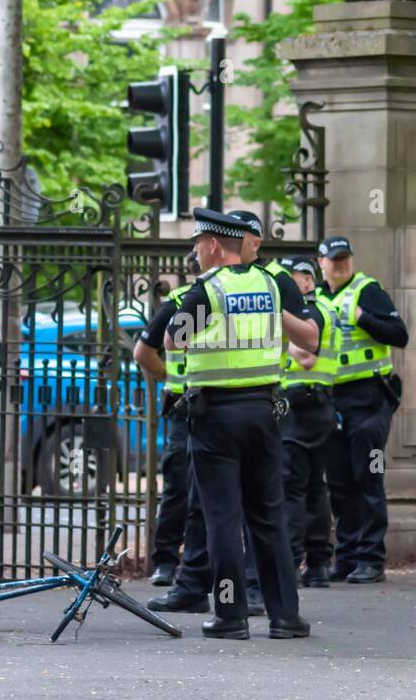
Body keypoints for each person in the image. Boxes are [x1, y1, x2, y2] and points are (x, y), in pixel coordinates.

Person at [165, 207, 316, 639]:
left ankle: (230, 616)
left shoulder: (208, 290)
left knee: (222, 517)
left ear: (214, 245)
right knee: (269, 516)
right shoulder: (271, 284)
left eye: (197, 244)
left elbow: (174, 339)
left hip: (216, 417)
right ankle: (286, 615)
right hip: (265, 412)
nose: (195, 252)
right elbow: (300, 333)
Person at [317, 235, 408, 584]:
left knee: (368, 477)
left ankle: (371, 558)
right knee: (339, 482)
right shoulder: (318, 298)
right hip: (332, 400)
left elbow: (399, 335)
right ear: (321, 262)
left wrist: (362, 317)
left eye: (345, 259)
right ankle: (348, 555)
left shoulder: (368, 291)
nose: (340, 264)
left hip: (369, 399)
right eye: (333, 259)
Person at [133, 252, 201, 588]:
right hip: (185, 407)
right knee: (178, 487)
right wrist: (172, 378)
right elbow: (143, 352)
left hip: (212, 405)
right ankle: (166, 561)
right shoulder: (178, 303)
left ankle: (196, 563)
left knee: (206, 489)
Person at [279, 256, 339, 587]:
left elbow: (306, 357)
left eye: (294, 278)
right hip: (316, 406)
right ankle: (317, 563)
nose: (288, 283)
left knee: (293, 487)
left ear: (307, 281)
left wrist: (280, 339)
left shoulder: (309, 312)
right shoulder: (322, 309)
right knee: (316, 486)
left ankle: (290, 561)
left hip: (303, 406)